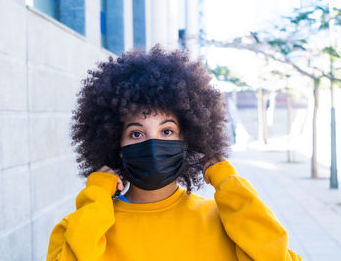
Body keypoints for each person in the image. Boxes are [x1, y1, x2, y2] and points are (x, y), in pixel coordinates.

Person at [46, 45, 302, 261]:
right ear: (117, 147)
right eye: (137, 133)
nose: (153, 144)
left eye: (166, 131)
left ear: (187, 138)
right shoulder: (83, 227)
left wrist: (227, 181)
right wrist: (97, 195)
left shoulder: (226, 223)